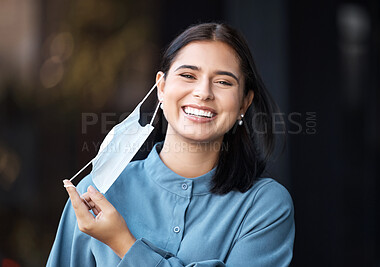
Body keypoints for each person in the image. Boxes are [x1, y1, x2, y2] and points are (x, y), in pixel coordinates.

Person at [47, 22, 295, 266]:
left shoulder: (264, 205)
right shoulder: (97, 192)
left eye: (223, 82)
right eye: (188, 75)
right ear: (162, 87)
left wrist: (122, 243)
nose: (203, 92)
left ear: (244, 103)